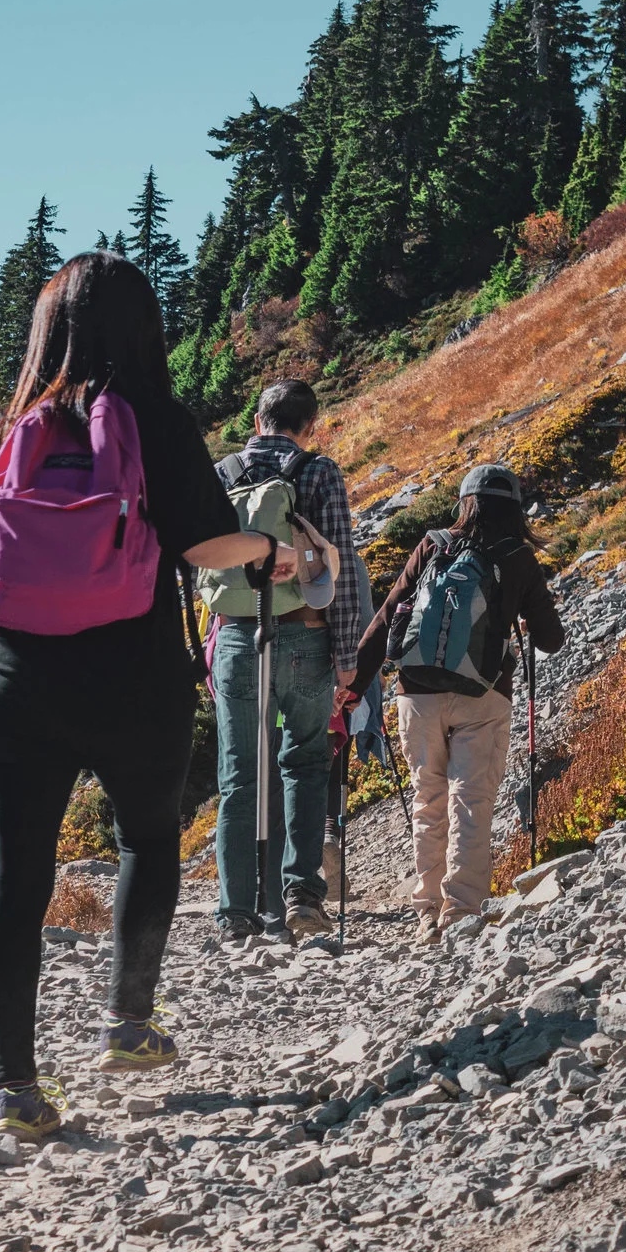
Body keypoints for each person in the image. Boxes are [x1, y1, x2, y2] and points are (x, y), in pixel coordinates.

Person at [0, 251, 303, 1141]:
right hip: (135, 675)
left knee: (15, 880)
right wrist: (267, 556)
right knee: (146, 839)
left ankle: (16, 1086)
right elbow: (208, 543)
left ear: (46, 329)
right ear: (142, 328)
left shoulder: (5, 431)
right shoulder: (153, 421)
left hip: (19, 679)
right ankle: (129, 1023)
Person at [346, 463, 565, 942]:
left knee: (429, 801)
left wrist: (355, 684)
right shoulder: (518, 555)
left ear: (464, 503)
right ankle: (462, 912)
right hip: (484, 698)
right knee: (472, 801)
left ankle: (426, 914)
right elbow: (551, 640)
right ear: (515, 508)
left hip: (417, 695)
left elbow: (387, 616)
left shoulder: (433, 545)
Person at [207, 380, 371, 942]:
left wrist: (217, 647)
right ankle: (302, 895)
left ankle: (234, 912)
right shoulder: (319, 473)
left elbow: (208, 567)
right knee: (303, 763)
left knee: (237, 774)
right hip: (304, 635)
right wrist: (347, 655)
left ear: (257, 422)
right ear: (309, 427)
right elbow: (340, 567)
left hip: (235, 638)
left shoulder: (223, 473)